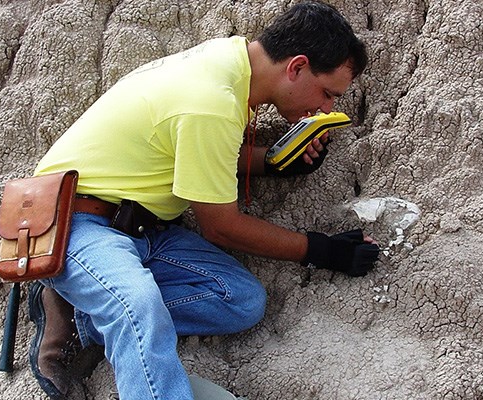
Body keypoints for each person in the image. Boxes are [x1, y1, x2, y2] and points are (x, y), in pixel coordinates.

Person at [28, 1, 379, 399]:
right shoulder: (212, 100)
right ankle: (90, 299)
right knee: (137, 304)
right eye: (328, 94)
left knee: (241, 299)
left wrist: (276, 162)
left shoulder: (226, 61)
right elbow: (221, 227)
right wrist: (323, 250)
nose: (327, 108)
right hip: (76, 223)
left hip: (143, 228)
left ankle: (81, 316)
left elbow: (202, 150)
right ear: (296, 67)